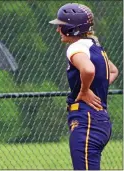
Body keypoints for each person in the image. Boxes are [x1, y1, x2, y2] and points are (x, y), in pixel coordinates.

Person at [49, 3, 119, 170]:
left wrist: (85, 91)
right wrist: (95, 88)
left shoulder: (76, 47)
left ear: (72, 29)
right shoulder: (94, 46)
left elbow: (88, 70)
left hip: (87, 120)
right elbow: (113, 71)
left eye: (61, 26)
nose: (58, 30)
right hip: (98, 120)